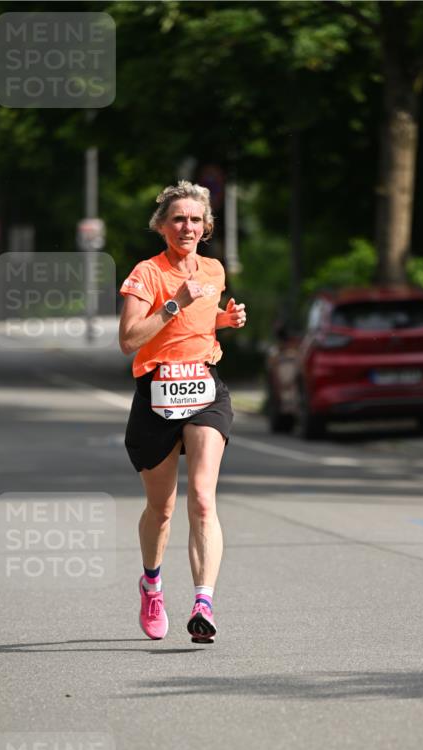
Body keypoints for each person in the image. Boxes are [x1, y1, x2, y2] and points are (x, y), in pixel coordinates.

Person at [118, 180, 246, 642]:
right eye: (178, 219)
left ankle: (203, 604)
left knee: (203, 498)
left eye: (195, 219)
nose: (187, 226)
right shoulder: (146, 274)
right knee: (163, 506)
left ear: (206, 226)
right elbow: (130, 339)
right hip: (156, 393)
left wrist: (222, 321)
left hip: (205, 389)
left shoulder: (213, 270)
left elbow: (197, 322)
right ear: (162, 226)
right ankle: (151, 583)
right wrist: (177, 302)